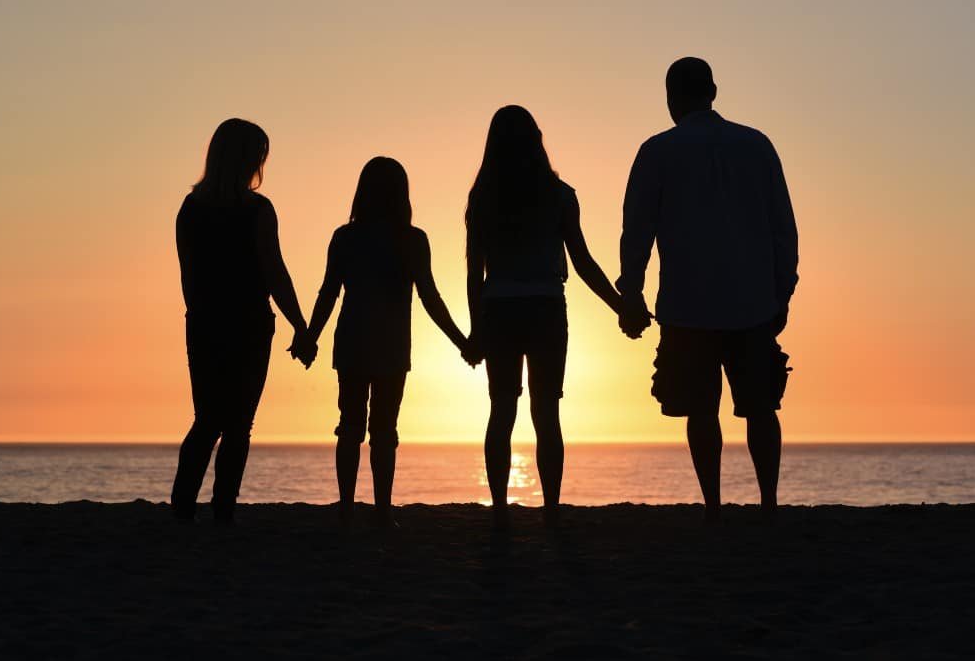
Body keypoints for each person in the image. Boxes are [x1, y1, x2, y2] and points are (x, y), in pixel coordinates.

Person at [617, 57, 798, 524]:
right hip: (752, 299)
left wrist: (631, 292)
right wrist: (784, 290)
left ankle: (714, 507)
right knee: (761, 407)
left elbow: (637, 230)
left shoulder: (658, 151)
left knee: (701, 411)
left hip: (688, 303)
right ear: (714, 90)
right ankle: (769, 503)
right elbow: (783, 228)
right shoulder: (757, 146)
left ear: (671, 98)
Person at [465, 106, 623, 530]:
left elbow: (473, 271)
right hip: (546, 307)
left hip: (499, 308)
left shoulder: (484, 197)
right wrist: (620, 305)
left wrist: (475, 329)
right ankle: (550, 507)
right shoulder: (559, 194)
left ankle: (499, 510)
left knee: (501, 411)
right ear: (537, 139)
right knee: (546, 412)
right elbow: (584, 262)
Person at [296, 157, 472, 529]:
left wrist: (311, 337)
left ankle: (347, 507)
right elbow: (430, 298)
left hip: (353, 341)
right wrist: (462, 342)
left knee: (350, 425)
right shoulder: (411, 239)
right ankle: (382, 511)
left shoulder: (346, 237)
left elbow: (328, 294)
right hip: (391, 346)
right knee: (384, 430)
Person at [170, 118, 311, 525]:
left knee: (209, 420)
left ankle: (186, 508)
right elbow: (274, 271)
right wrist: (299, 326)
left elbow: (189, 276)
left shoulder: (192, 208)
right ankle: (221, 510)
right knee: (235, 424)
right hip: (246, 323)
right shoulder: (256, 210)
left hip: (206, 323)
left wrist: (199, 316)